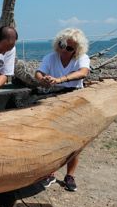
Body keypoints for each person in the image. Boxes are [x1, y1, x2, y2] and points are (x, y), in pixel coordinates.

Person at [34, 28, 91, 192]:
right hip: (53, 98)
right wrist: (43, 79)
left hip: (74, 98)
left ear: (77, 49)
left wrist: (61, 79)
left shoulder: (82, 58)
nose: (64, 50)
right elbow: (39, 72)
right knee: (51, 138)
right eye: (62, 45)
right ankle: (50, 172)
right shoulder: (51, 58)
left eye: (69, 48)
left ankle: (70, 175)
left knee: (75, 141)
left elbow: (83, 72)